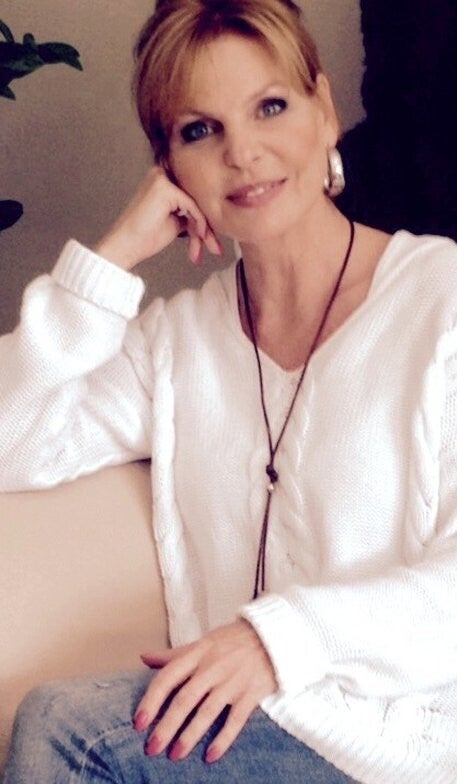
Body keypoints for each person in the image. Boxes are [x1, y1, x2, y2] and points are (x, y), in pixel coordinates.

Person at [2, 0, 457, 781]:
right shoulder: (175, 345)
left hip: (403, 748)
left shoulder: (440, 302)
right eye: (199, 130)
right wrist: (112, 259)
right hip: (233, 744)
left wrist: (277, 640)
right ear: (168, 166)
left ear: (323, 110)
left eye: (269, 107)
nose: (242, 152)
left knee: (70, 730)